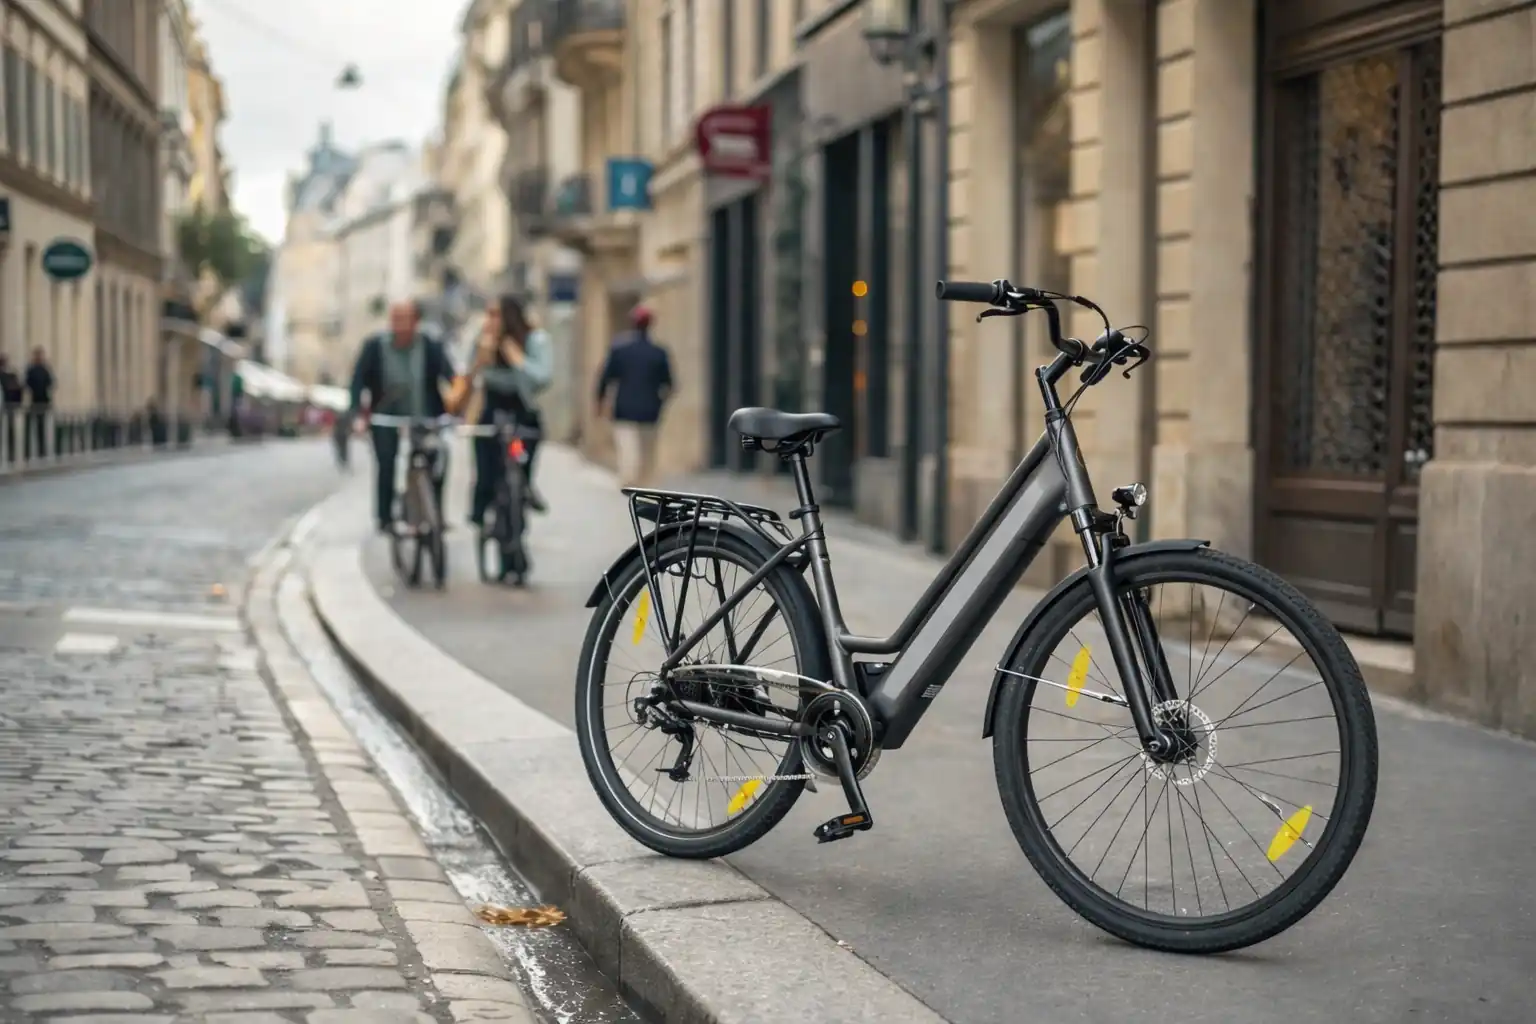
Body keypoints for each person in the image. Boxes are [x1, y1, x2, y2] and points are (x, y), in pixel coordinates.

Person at [347, 299, 458, 533]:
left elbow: (451, 377)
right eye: (395, 320)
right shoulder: (375, 346)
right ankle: (385, 517)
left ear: (416, 322)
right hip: (386, 417)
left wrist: (458, 405)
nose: (399, 326)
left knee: (437, 458)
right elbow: (358, 382)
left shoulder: (430, 346)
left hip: (425, 417)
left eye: (404, 320)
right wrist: (358, 414)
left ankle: (435, 512)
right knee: (387, 463)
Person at [469, 294, 553, 525]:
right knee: (486, 466)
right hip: (491, 411)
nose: (490, 321)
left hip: (522, 411)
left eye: (496, 315)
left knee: (522, 455)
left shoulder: (534, 340)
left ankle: (524, 486)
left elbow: (542, 378)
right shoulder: (483, 341)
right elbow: (468, 378)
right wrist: (480, 359)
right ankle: (480, 506)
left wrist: (516, 358)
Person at [595, 304, 673, 489]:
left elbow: (605, 378)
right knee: (647, 449)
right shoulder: (659, 353)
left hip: (624, 408)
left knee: (627, 448)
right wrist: (661, 401)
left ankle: (629, 481)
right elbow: (669, 383)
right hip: (650, 409)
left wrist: (600, 401)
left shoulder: (620, 350)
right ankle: (646, 482)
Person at [24, 348, 54, 458]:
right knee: (37, 425)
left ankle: (42, 450)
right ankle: (38, 450)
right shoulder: (34, 369)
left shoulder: (43, 369)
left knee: (41, 425)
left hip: (41, 400)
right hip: (37, 400)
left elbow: (51, 382)